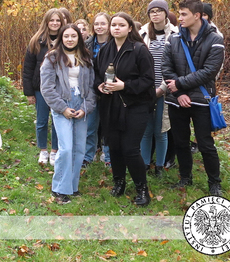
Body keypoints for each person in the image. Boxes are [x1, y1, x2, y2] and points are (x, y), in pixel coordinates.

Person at [162, 0, 225, 196]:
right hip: (176, 100)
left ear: (196, 15)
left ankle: (214, 183)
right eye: (179, 14)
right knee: (181, 141)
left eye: (183, 14)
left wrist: (179, 84)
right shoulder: (173, 38)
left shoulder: (216, 40)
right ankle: (185, 178)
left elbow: (208, 72)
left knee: (205, 144)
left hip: (201, 101)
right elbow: (166, 67)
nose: (179, 18)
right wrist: (179, 93)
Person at [94, 12, 156, 206]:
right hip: (110, 105)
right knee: (114, 147)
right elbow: (96, 74)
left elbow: (148, 80)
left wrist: (125, 86)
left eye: (121, 25)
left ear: (130, 28)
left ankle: (142, 189)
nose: (116, 28)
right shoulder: (105, 49)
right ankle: (118, 183)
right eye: (114, 25)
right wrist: (100, 86)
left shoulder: (139, 50)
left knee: (130, 149)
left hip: (135, 105)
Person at [39, 24, 96, 204]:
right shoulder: (52, 58)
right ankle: (59, 189)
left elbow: (92, 87)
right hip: (62, 105)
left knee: (79, 148)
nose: (70, 39)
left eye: (73, 36)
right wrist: (62, 108)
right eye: (66, 36)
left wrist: (85, 108)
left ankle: (73, 186)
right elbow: (46, 88)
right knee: (66, 148)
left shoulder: (86, 58)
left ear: (79, 38)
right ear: (61, 38)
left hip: (81, 104)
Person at [139, 0, 178, 177]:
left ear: (165, 13)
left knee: (161, 129)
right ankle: (145, 163)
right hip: (145, 89)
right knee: (145, 129)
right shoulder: (142, 34)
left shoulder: (176, 34)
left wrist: (162, 88)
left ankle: (160, 166)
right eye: (151, 11)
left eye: (158, 11)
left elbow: (176, 64)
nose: (155, 14)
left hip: (165, 90)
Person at [22, 8, 65, 166]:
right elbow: (28, 68)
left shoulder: (65, 40)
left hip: (60, 88)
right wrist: (29, 92)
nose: (55, 23)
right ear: (46, 22)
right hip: (40, 88)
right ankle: (43, 150)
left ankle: (54, 150)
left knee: (57, 120)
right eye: (52, 20)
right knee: (41, 120)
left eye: (58, 21)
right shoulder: (36, 41)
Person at [84, 12, 111, 167]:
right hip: (91, 90)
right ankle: (88, 155)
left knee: (108, 126)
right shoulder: (87, 44)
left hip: (109, 89)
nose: (99, 27)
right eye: (96, 24)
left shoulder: (114, 43)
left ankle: (108, 157)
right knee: (90, 126)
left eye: (103, 24)